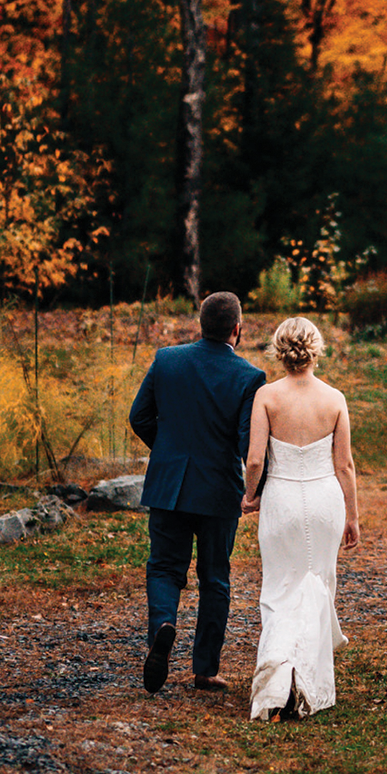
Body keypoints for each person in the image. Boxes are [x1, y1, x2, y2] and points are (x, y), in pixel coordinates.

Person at [128, 291, 267, 695]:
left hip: (168, 487)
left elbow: (139, 417)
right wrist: (258, 486)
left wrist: (169, 452)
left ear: (200, 325)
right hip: (217, 492)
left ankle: (163, 626)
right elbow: (246, 443)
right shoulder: (249, 377)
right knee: (215, 579)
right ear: (236, 330)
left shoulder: (166, 360)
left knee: (164, 567)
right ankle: (205, 670)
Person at [239, 317, 359, 721]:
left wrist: (250, 495)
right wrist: (353, 516)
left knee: (280, 589)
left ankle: (278, 684)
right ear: (315, 348)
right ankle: (306, 681)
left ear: (279, 349)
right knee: (318, 585)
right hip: (326, 501)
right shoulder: (335, 398)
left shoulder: (266, 396)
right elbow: (345, 466)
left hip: (283, 501)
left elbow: (255, 458)